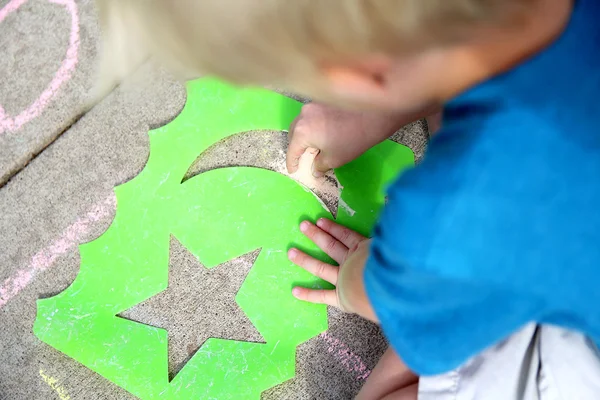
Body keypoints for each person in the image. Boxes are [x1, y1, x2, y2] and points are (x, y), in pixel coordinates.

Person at [96, 0, 600, 398]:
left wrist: (362, 277)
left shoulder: (443, 224)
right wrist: (382, 108)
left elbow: (387, 298)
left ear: (360, 74)